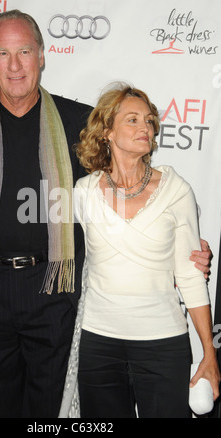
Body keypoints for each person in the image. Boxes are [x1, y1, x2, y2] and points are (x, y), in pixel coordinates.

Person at [0, 11, 211, 419]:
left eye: (24, 51)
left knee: (47, 415)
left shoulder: (79, 122)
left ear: (41, 55)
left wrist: (186, 243)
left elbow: (125, 190)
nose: (15, 64)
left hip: (53, 294)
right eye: (3, 53)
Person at [59, 83, 220, 419]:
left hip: (163, 343)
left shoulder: (177, 191)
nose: (144, 128)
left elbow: (190, 275)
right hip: (98, 344)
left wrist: (208, 352)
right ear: (107, 132)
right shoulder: (83, 193)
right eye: (132, 120)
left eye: (148, 121)